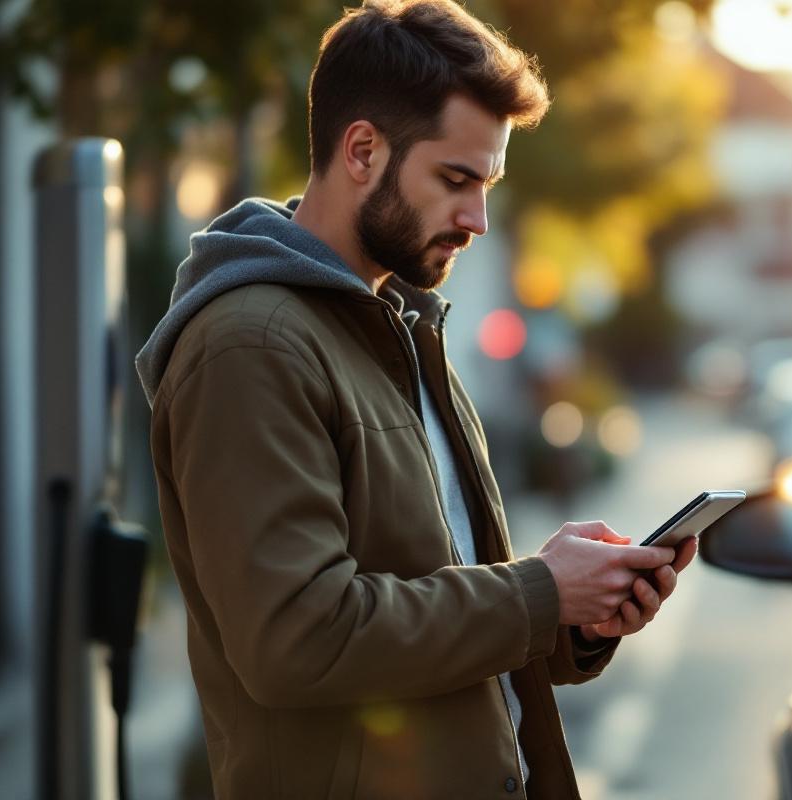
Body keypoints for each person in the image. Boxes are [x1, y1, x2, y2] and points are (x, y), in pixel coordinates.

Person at [133, 1, 697, 797]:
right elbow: (297, 639)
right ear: (363, 150)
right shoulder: (251, 346)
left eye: (486, 185)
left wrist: (573, 614)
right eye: (456, 180)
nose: (477, 219)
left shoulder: (401, 329)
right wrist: (539, 589)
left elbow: (437, 609)